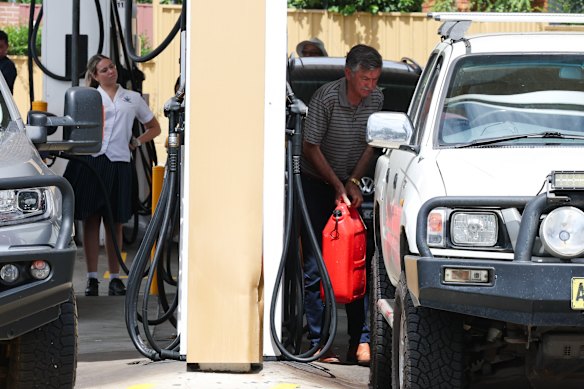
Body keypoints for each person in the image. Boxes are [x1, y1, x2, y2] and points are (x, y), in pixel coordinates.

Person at [300, 44, 383, 365]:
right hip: (316, 184)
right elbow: (310, 147)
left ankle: (360, 342)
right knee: (315, 264)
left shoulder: (376, 100)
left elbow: (372, 144)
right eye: (364, 79)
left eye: (375, 79)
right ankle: (320, 342)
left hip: (350, 185)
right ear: (348, 73)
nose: (370, 86)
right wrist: (337, 185)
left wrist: (352, 182)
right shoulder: (327, 98)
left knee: (357, 262)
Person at [64, 54, 161, 297]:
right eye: (104, 70)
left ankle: (116, 278)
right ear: (95, 76)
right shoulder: (89, 97)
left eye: (112, 67)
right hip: (92, 161)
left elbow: (155, 127)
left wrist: (137, 141)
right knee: (90, 220)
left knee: (115, 221)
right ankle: (92, 278)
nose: (110, 72)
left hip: (119, 162)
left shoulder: (132, 98)